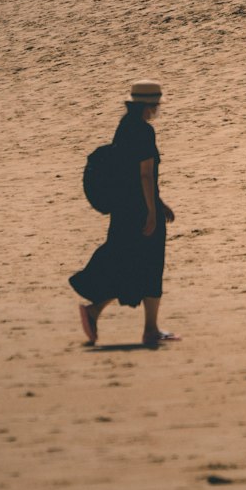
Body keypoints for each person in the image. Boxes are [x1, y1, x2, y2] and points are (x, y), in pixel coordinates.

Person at [70, 81, 176, 349]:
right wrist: (153, 212)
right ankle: (150, 329)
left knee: (126, 263)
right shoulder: (144, 131)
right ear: (150, 106)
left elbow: (128, 173)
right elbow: (144, 173)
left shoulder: (124, 126)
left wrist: (159, 203)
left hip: (123, 209)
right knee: (150, 265)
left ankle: (95, 311)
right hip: (140, 210)